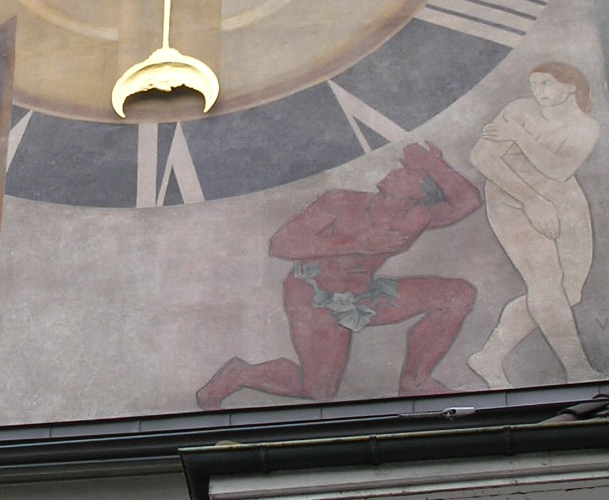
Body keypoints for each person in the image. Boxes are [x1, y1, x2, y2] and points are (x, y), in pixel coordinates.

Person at [195, 142, 480, 408]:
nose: (397, 170)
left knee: (457, 295)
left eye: (409, 172)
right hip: (315, 295)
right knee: (319, 390)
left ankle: (415, 382)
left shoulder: (416, 218)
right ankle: (239, 374)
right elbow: (280, 244)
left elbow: (467, 201)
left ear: (418, 194)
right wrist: (358, 243)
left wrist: (434, 164)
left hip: (362, 294)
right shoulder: (340, 202)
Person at [468, 63, 600, 387]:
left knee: (569, 292)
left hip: (564, 199)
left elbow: (559, 170)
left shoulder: (586, 127)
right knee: (546, 284)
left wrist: (519, 137)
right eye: (534, 84)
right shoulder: (519, 110)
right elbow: (482, 157)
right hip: (511, 199)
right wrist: (530, 199)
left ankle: (488, 357)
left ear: (570, 86)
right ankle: (578, 371)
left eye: (546, 84)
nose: (538, 92)